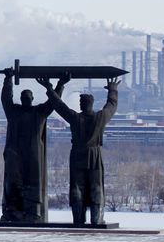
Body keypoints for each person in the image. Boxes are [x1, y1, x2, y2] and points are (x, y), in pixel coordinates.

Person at [43, 77, 119, 226]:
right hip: (94, 155)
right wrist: (112, 89)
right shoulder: (100, 118)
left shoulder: (75, 118)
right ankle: (96, 219)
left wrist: (50, 89)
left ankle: (78, 218)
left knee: (77, 187)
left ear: (81, 105)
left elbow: (59, 105)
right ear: (91, 104)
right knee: (96, 186)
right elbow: (112, 105)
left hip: (77, 155)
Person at [0, 74, 65, 223]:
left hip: (32, 156)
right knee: (13, 183)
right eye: (23, 97)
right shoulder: (13, 111)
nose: (25, 99)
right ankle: (12, 211)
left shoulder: (39, 112)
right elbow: (6, 99)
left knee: (33, 183)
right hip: (15, 154)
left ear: (32, 99)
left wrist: (60, 85)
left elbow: (53, 103)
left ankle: (34, 212)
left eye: (28, 97)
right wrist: (7, 80)